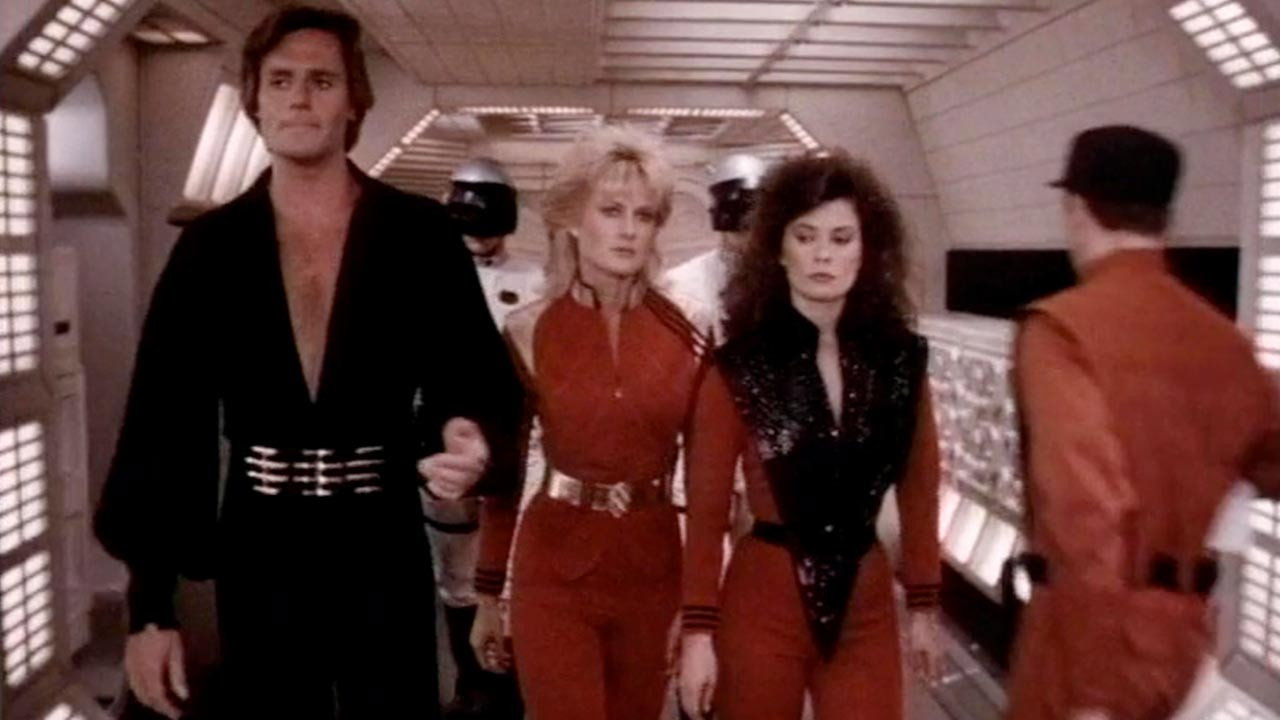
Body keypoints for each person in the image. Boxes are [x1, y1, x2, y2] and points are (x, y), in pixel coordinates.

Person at [92, 6, 523, 718]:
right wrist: (150, 610)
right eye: (281, 80)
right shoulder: (211, 248)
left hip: (380, 533)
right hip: (261, 540)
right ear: (255, 101)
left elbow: (476, 380)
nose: (299, 98)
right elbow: (162, 424)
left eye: (321, 81)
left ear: (354, 101)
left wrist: (468, 436)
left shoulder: (418, 234)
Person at [1006, 125, 1280, 720]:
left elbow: (1085, 511)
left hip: (1085, 644)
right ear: (1166, 217)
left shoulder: (1061, 331)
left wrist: (1091, 691)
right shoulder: (1227, 343)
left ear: (1077, 208)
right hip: (1183, 645)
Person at [678, 151, 944, 720]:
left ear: (867, 249)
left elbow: (921, 486)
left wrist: (924, 604)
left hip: (867, 601)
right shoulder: (739, 366)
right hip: (762, 596)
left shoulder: (900, 361)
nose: (824, 254)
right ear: (778, 248)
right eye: (806, 237)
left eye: (842, 238)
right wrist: (698, 632)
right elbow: (706, 508)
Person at [470, 126, 710, 720]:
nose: (629, 230)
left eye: (644, 215)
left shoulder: (691, 331)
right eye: (611, 210)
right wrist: (487, 594)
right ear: (575, 219)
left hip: (653, 571)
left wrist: (701, 613)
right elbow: (502, 480)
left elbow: (709, 487)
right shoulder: (529, 329)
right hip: (553, 570)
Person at [428, 157, 540, 720]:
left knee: (505, 570)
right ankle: (471, 684)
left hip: (509, 450)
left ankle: (508, 686)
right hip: (446, 449)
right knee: (454, 571)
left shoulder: (533, 283)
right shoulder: (426, 280)